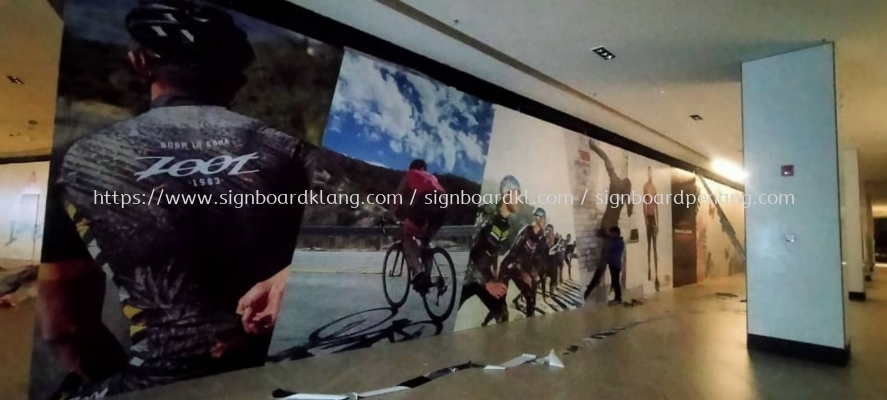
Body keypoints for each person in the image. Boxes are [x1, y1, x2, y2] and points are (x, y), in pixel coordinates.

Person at [36, 1, 321, 398]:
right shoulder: (291, 150)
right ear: (235, 79)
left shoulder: (78, 159)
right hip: (271, 377)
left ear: (139, 62)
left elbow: (65, 330)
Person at [458, 175, 522, 326]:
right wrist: (488, 281)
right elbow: (474, 251)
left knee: (502, 314)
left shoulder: (506, 225)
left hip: (482, 277)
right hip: (468, 276)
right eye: (517, 194)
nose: (520, 199)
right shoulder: (490, 216)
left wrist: (495, 276)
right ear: (506, 194)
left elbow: (492, 252)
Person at [389, 159, 447, 293]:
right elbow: (419, 202)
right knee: (426, 242)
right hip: (444, 203)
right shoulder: (432, 177)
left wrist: (389, 215)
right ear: (424, 169)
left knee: (407, 233)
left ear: (413, 168)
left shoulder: (410, 173)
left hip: (426, 201)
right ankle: (426, 279)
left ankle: (419, 271)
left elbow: (398, 195)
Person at [584, 139, 632, 300]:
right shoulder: (626, 194)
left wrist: (594, 147)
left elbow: (606, 159)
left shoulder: (615, 182)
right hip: (611, 230)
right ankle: (600, 290)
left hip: (607, 228)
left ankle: (595, 290)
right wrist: (629, 199)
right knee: (609, 263)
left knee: (607, 263)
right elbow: (631, 212)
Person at [502, 207, 546, 317]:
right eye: (542, 217)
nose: (544, 220)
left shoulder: (541, 238)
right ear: (536, 218)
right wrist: (523, 272)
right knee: (500, 299)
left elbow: (538, 259)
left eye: (544, 217)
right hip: (510, 267)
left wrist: (535, 271)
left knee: (531, 297)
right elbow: (514, 253)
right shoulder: (527, 231)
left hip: (523, 269)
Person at [583, 227, 625, 304]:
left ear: (615, 233)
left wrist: (606, 239)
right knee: (615, 281)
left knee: (615, 281)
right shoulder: (616, 241)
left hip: (615, 264)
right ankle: (617, 298)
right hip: (614, 264)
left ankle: (618, 298)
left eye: (612, 232)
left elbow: (611, 248)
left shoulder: (617, 241)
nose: (611, 234)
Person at [643, 166, 660, 291]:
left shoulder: (654, 188)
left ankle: (656, 274)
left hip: (653, 219)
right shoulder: (645, 187)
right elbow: (644, 204)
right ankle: (649, 269)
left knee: (655, 247)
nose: (650, 174)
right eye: (648, 172)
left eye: (651, 172)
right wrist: (645, 220)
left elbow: (656, 206)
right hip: (648, 219)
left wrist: (657, 223)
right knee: (649, 246)